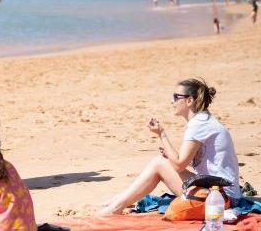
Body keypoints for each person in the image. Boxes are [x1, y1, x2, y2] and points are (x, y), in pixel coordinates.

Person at [99, 78, 242, 215]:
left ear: (189, 101)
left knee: (158, 164)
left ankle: (115, 208)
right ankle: (119, 201)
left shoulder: (199, 125)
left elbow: (179, 165)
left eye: (175, 97)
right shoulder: (203, 120)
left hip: (220, 197)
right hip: (221, 193)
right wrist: (169, 154)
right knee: (162, 162)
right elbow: (190, 162)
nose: (171, 101)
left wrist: (162, 134)